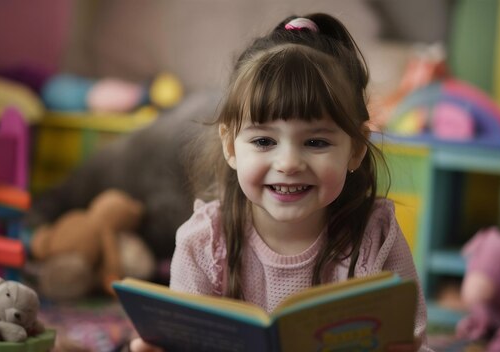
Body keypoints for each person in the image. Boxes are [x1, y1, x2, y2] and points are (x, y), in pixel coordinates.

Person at [131, 12, 430, 352]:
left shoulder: (376, 238)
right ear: (230, 146)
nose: (288, 164)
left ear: (356, 149)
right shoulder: (204, 243)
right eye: (263, 141)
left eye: (316, 142)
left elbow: (414, 343)